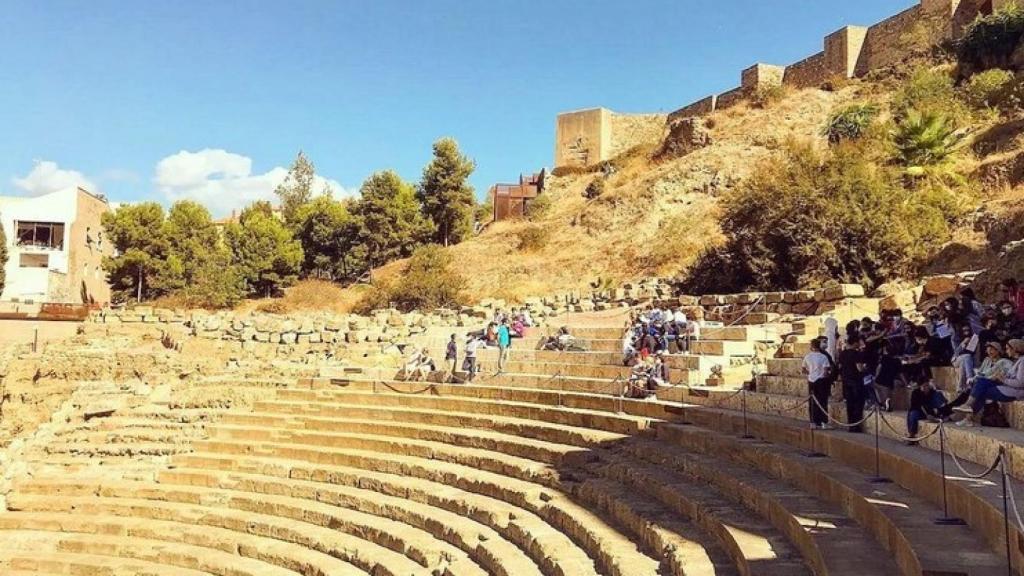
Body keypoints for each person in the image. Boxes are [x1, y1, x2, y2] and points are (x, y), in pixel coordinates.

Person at [955, 339, 1024, 427]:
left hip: (1014, 392)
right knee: (981, 383)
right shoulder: (1017, 361)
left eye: (1008, 349)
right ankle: (968, 415)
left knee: (982, 389)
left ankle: (968, 411)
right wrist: (1000, 377)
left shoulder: (1022, 362)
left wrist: (1003, 379)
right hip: (1007, 387)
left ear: (1015, 349)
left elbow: (1021, 383)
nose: (1006, 351)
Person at [802, 338, 834, 430]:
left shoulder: (807, 357)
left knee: (812, 402)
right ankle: (823, 422)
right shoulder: (823, 357)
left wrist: (810, 373)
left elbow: (803, 369)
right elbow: (826, 371)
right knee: (822, 401)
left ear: (811, 346)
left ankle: (813, 422)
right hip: (821, 381)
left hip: (811, 381)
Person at [838, 334, 867, 433]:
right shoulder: (857, 354)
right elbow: (859, 368)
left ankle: (851, 425)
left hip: (846, 381)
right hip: (856, 381)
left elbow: (840, 366)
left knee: (849, 404)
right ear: (855, 343)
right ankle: (857, 426)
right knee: (858, 404)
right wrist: (865, 369)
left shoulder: (843, 353)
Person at [907, 379, 947, 444]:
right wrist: (927, 414)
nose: (927, 388)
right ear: (920, 387)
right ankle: (912, 435)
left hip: (930, 410)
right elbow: (918, 405)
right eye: (924, 386)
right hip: (919, 411)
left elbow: (940, 400)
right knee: (913, 414)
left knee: (938, 394)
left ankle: (944, 415)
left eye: (927, 385)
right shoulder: (915, 393)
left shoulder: (932, 392)